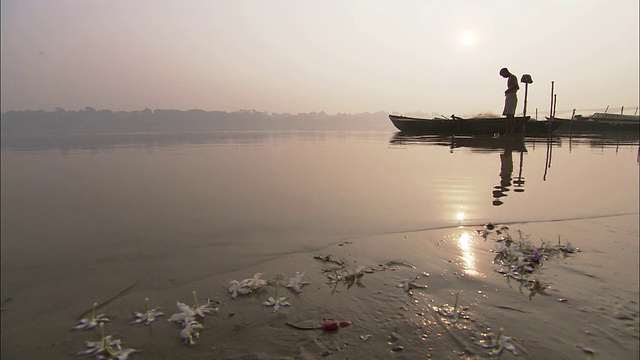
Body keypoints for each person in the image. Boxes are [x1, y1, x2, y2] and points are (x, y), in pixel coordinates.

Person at [500, 68, 519, 136]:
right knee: (508, 114)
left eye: (503, 75)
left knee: (510, 115)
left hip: (512, 96)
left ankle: (510, 131)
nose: (503, 77)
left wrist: (508, 90)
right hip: (510, 96)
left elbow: (516, 87)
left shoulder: (512, 77)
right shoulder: (510, 78)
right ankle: (509, 131)